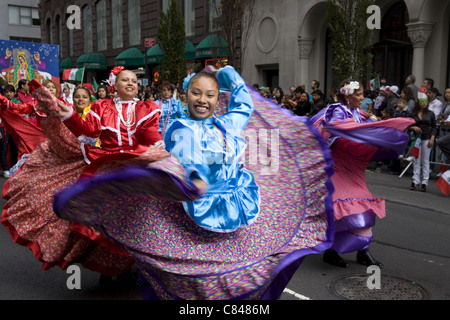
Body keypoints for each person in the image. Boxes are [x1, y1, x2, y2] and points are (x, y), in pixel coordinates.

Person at [53, 66, 335, 300]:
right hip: (199, 208)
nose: (202, 100)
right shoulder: (181, 127)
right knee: (192, 275)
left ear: (217, 99)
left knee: (242, 271)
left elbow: (243, 103)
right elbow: (190, 157)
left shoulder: (229, 124)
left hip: (238, 205)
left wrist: (227, 74)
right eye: (196, 93)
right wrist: (196, 179)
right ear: (185, 96)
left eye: (210, 95)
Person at [1, 67, 166, 286]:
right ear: (114, 86)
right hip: (106, 167)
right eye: (125, 80)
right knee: (104, 224)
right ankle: (108, 271)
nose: (130, 84)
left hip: (135, 168)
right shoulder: (101, 106)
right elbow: (89, 131)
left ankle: (128, 268)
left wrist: (157, 144)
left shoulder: (148, 108)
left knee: (135, 222)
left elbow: (149, 131)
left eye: (134, 81)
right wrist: (69, 116)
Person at [311, 79, 413, 268]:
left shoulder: (360, 113)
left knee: (361, 205)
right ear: (347, 95)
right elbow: (331, 133)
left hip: (354, 169)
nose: (362, 98)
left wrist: (376, 128)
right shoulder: (337, 111)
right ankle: (333, 251)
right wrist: (358, 130)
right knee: (343, 208)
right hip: (337, 168)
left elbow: (363, 132)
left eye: (362, 94)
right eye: (358, 95)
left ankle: (361, 252)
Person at [408, 92, 437, 192]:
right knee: (416, 159)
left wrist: (432, 138)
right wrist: (413, 127)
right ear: (418, 103)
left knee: (425, 160)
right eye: (422, 102)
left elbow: (434, 127)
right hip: (417, 138)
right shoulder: (413, 113)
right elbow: (408, 125)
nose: (424, 104)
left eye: (425, 102)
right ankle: (415, 181)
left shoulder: (430, 113)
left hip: (427, 137)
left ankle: (424, 182)